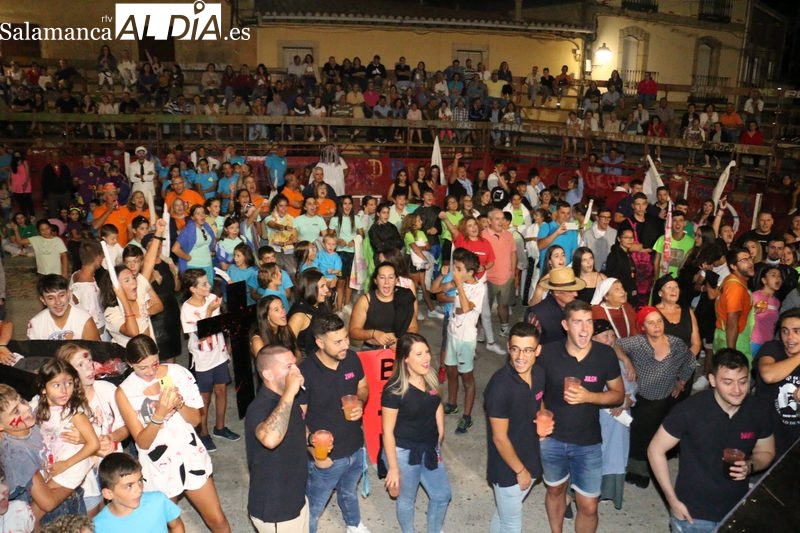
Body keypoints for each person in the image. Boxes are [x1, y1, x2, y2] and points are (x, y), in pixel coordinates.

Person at [648, 349, 775, 533]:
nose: (737, 390)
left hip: (736, 510)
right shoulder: (689, 410)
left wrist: (751, 465)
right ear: (713, 380)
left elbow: (766, 451)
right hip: (692, 514)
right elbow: (655, 450)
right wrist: (672, 500)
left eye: (743, 381)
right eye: (728, 382)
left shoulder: (758, 411)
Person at [115, 335, 230, 532]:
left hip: (190, 455)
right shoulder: (124, 392)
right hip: (157, 466)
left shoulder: (178, 373)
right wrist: (159, 414)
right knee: (167, 525)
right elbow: (142, 442)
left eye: (154, 363)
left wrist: (179, 404)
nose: (150, 371)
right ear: (130, 364)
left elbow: (195, 420)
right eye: (142, 367)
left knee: (217, 519)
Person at [538, 299, 624, 533]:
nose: (585, 329)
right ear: (565, 325)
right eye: (578, 322)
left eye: (589, 322)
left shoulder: (605, 355)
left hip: (588, 442)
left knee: (589, 506)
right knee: (555, 490)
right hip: (553, 439)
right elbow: (536, 392)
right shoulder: (548, 353)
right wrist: (541, 412)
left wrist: (590, 397)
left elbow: (618, 395)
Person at [299, 314, 371, 533]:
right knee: (313, 507)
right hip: (327, 456)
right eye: (338, 342)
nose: (346, 345)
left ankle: (353, 524)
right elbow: (297, 419)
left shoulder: (351, 358)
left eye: (346, 338)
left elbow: (363, 387)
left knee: (349, 491)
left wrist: (359, 400)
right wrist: (315, 453)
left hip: (356, 447)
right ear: (320, 343)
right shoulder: (306, 372)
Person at [613, 307, 695, 489]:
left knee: (652, 435)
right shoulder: (637, 343)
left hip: (662, 399)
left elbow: (690, 362)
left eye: (659, 321)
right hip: (640, 397)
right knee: (636, 433)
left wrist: (681, 381)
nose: (656, 326)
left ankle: (644, 470)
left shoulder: (676, 344)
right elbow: (615, 344)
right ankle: (634, 467)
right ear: (643, 327)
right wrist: (626, 361)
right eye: (651, 323)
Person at [382, 333, 451, 533]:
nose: (426, 358)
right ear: (405, 359)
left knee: (442, 495)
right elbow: (387, 432)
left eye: (427, 352)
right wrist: (393, 468)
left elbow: (436, 403)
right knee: (407, 499)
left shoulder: (430, 378)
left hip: (429, 448)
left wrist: (440, 432)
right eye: (419, 354)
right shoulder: (394, 390)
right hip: (403, 452)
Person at [484, 322, 549, 532]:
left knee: (504, 515)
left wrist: (543, 415)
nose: (521, 357)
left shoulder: (539, 374)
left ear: (537, 351)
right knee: (512, 523)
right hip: (508, 467)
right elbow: (499, 438)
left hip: (530, 454)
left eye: (528, 350)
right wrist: (520, 471)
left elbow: (539, 401)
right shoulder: (500, 387)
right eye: (515, 349)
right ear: (508, 348)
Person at [245, 344, 309, 532]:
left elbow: (296, 430)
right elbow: (270, 439)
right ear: (268, 374)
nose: (296, 371)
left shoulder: (289, 401)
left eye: (295, 365)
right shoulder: (259, 407)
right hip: (275, 510)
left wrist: (312, 440)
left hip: (296, 498)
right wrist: (290, 391)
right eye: (288, 367)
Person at [180, 269, 239, 452]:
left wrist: (228, 343)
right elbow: (201, 334)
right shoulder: (187, 309)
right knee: (204, 398)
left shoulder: (213, 298)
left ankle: (220, 427)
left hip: (219, 355)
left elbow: (222, 324)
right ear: (193, 289)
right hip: (203, 359)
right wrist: (209, 311)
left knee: (221, 390)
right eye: (204, 284)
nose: (209, 286)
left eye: (208, 282)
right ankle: (203, 433)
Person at [442, 249, 486, 435]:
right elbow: (436, 290)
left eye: (459, 269)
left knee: (466, 377)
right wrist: (444, 277)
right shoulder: (460, 281)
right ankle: (452, 403)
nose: (456, 272)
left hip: (466, 339)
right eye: (455, 267)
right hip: (453, 333)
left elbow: (466, 307)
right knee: (451, 370)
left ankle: (467, 416)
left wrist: (458, 284)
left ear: (470, 272)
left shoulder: (478, 288)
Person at [93, 452, 184, 532]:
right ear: (108, 494)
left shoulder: (158, 501)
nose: (139, 489)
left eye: (140, 480)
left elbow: (176, 526)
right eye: (129, 486)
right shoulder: (98, 526)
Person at [349, 261, 418, 348]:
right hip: (372, 347)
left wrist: (400, 340)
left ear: (396, 280)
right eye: (382, 277)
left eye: (391, 277)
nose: (387, 282)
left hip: (399, 345)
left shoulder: (405, 298)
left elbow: (413, 327)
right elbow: (353, 331)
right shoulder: (365, 301)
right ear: (375, 281)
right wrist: (373, 334)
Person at [27, 274, 100, 341]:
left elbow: (96, 352)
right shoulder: (36, 323)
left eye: (61, 295)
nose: (58, 302)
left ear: (68, 294)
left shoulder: (85, 321)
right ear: (43, 300)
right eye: (51, 298)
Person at [714, 248, 755, 363]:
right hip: (734, 341)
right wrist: (731, 354)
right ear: (733, 266)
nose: (750, 263)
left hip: (728, 337)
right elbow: (732, 321)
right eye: (744, 260)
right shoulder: (735, 288)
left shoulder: (732, 280)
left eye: (750, 258)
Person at [524, 267, 584, 345]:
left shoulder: (578, 308)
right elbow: (529, 345)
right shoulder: (538, 314)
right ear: (557, 292)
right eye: (570, 291)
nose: (576, 294)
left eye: (576, 290)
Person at [288, 269, 331, 360]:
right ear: (310, 288)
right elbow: (288, 345)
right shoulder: (299, 316)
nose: (326, 290)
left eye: (326, 285)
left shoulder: (320, 305)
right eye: (322, 286)